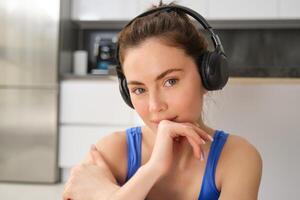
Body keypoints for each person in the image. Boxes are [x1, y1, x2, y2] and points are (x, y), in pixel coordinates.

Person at [63, 2, 262, 200]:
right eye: (139, 89)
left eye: (170, 81)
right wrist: (152, 169)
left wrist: (110, 196)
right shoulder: (112, 150)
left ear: (208, 76)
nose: (155, 106)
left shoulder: (238, 157)